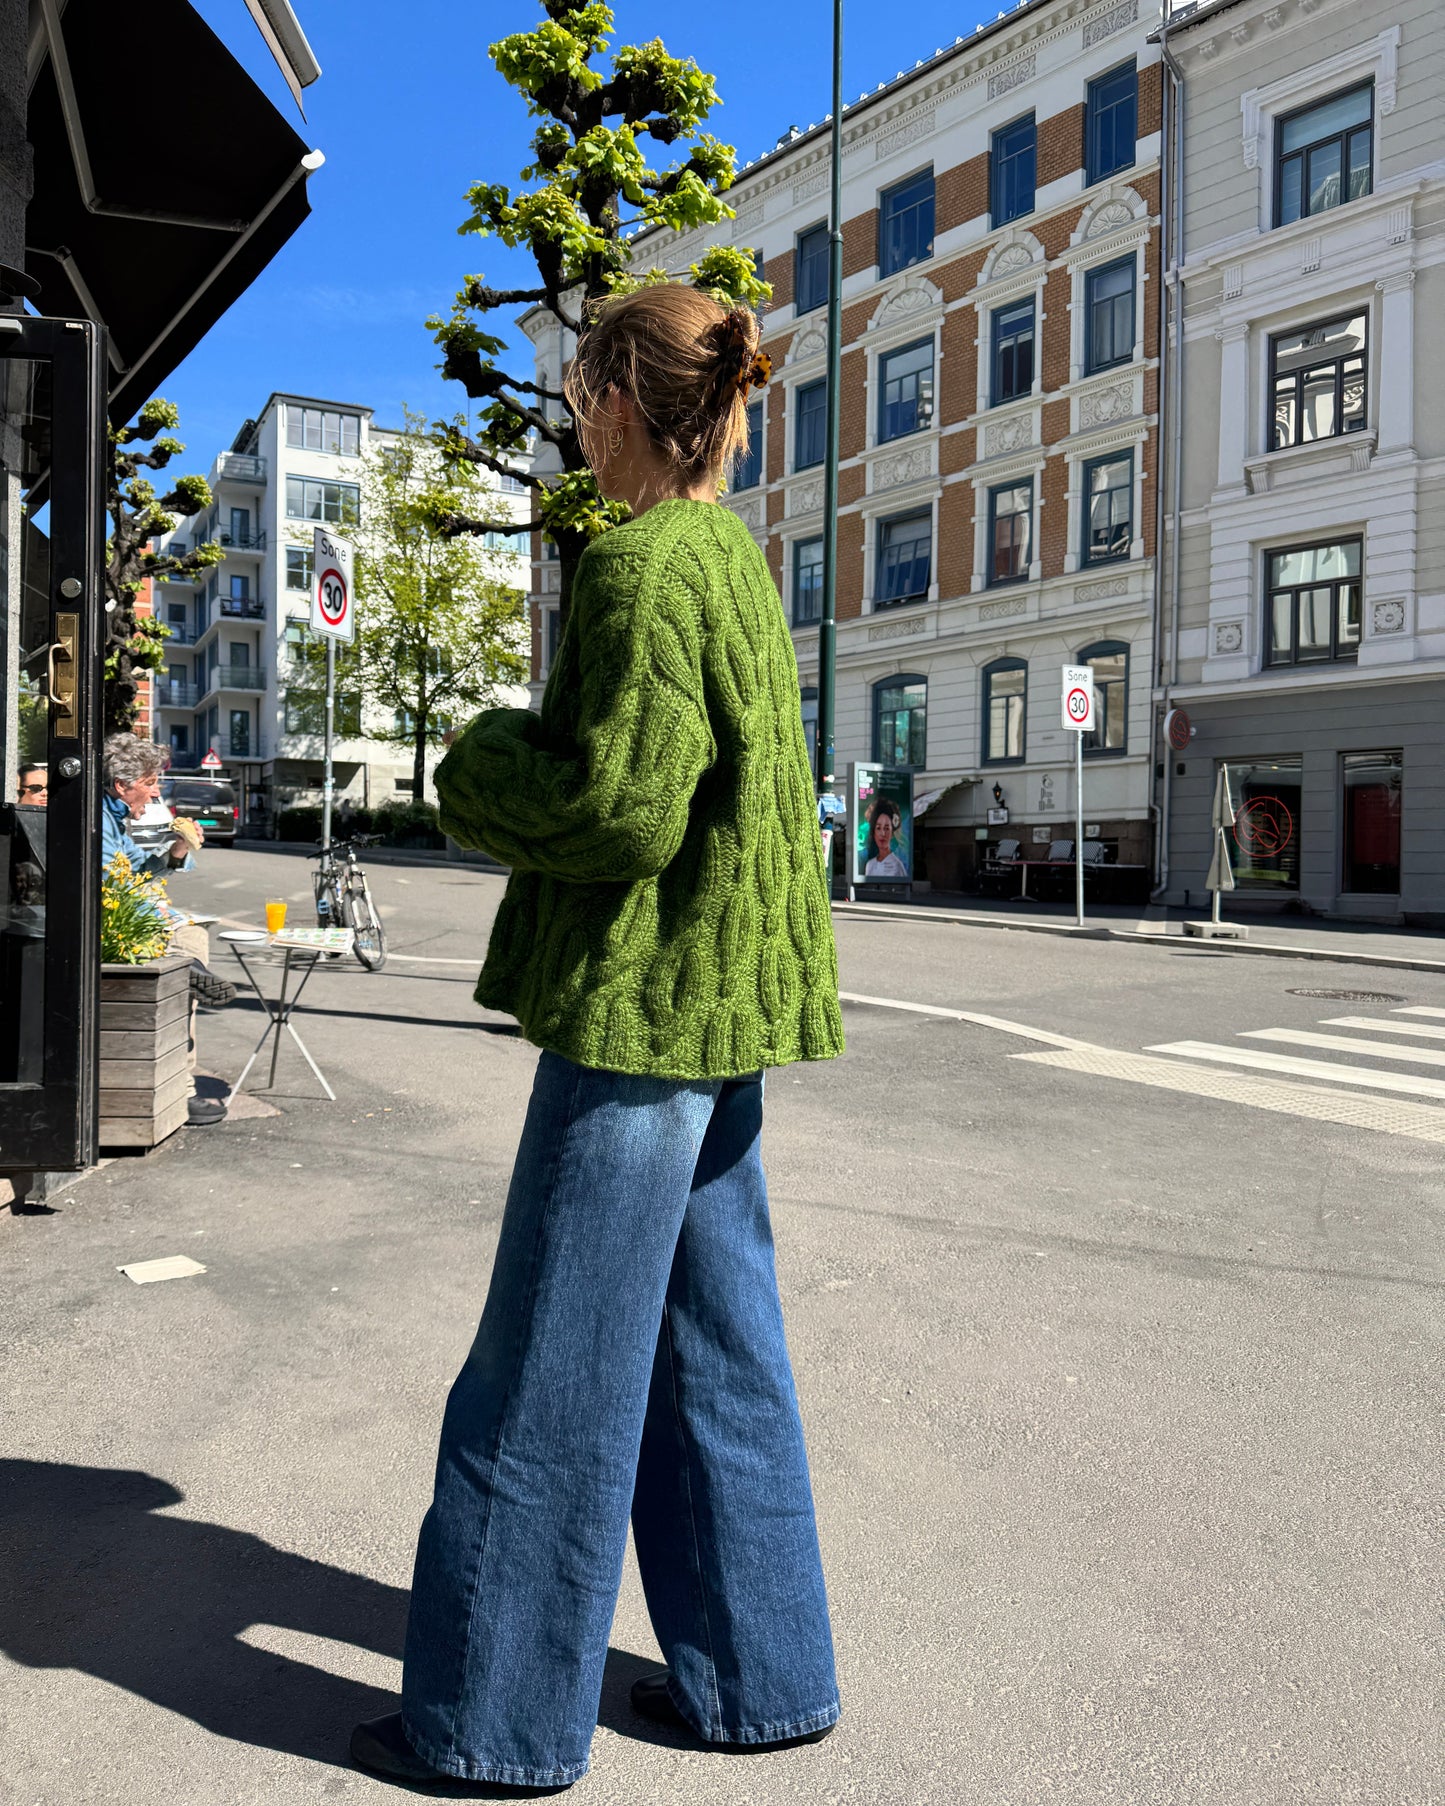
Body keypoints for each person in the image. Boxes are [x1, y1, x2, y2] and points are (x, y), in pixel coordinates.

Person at [351, 285, 845, 1794]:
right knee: (717, 1356)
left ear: (625, 398)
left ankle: (491, 1724)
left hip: (643, 1015)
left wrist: (477, 762)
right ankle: (765, 1675)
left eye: (577, 390)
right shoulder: (735, 563)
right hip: (724, 1007)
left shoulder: (637, 569)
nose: (571, 415)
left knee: (546, 1375)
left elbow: (617, 806)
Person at [100, 734, 235, 1125]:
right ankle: (184, 1088)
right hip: (110, 931)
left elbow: (138, 868)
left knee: (190, 940)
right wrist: (157, 911)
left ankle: (188, 968)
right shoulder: (100, 820)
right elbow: (115, 884)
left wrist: (177, 849)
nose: (157, 791)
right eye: (151, 782)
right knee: (186, 949)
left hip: (123, 919)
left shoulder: (114, 818)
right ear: (123, 786)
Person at [863, 797, 907, 880]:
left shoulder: (897, 865)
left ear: (892, 832)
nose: (883, 834)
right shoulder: (870, 865)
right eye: (878, 828)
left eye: (887, 828)